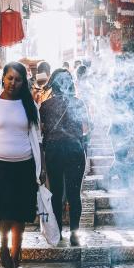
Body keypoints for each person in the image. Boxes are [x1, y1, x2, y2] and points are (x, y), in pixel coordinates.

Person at [0, 62, 43, 268]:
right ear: (3, 78)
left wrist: (42, 171)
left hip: (25, 166)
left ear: (24, 82)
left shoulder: (29, 105)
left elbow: (38, 139)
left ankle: (16, 256)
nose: (13, 83)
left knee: (21, 214)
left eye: (18, 79)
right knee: (4, 213)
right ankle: (4, 246)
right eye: (10, 78)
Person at [40, 69, 90, 246]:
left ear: (53, 84)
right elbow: (86, 128)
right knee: (74, 194)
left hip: (53, 151)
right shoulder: (78, 103)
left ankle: (58, 231)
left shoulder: (45, 106)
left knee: (56, 193)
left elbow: (42, 130)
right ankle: (75, 234)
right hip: (74, 150)